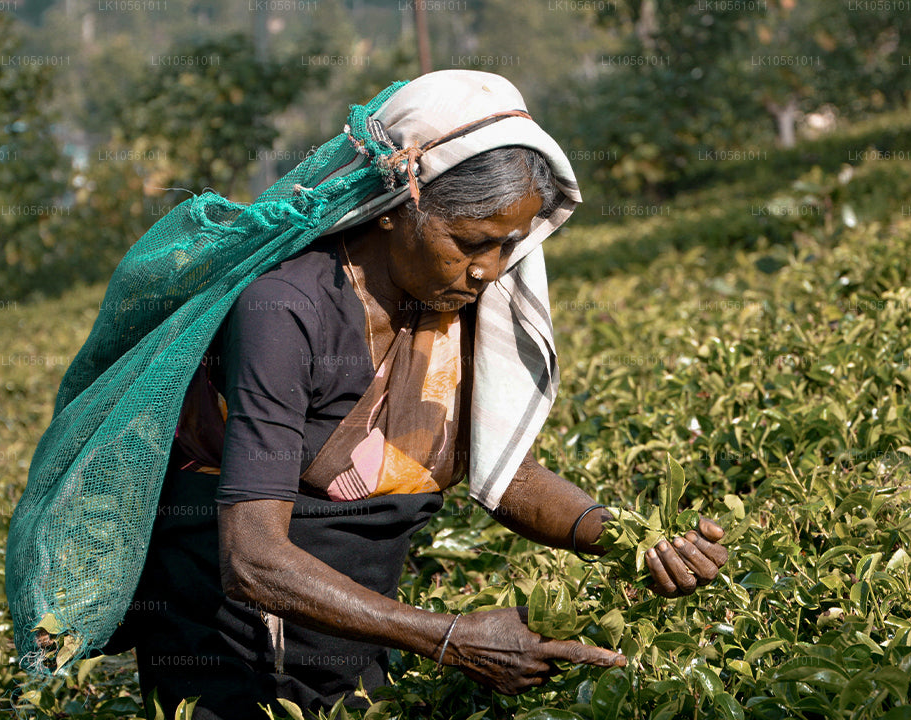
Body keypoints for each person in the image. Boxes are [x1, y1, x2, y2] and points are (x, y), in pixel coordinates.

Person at [112, 70, 730, 719]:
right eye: (469, 242)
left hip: (358, 629)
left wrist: (638, 542)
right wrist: (450, 638)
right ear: (396, 207)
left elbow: (502, 470)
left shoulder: (456, 301)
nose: (489, 269)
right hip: (227, 646)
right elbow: (253, 558)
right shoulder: (285, 306)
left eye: (507, 245)